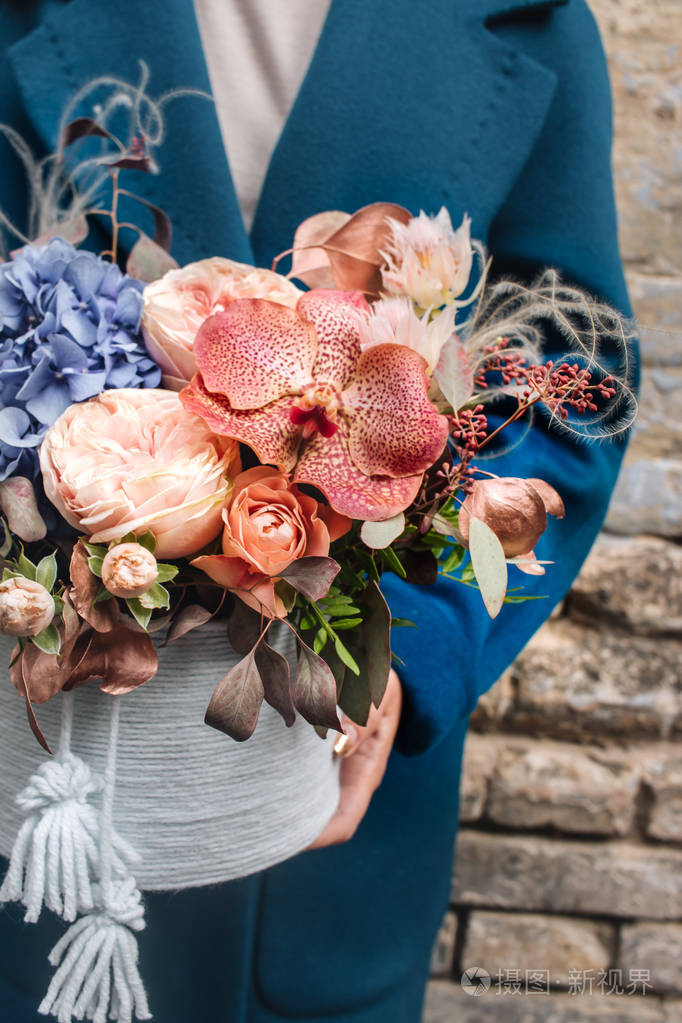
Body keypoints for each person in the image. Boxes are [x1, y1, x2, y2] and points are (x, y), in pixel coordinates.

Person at [0, 0, 638, 1020]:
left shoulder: (529, 20)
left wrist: (408, 652)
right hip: (48, 774)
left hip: (332, 822)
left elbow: (573, 382)